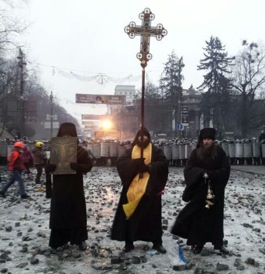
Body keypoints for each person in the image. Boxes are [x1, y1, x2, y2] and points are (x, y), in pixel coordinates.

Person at [171, 128, 230, 254]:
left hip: (216, 191)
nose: (206, 142)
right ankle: (198, 243)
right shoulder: (196, 153)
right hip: (200, 191)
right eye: (204, 139)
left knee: (216, 218)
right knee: (199, 219)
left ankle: (218, 243)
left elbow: (225, 170)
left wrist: (212, 175)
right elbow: (189, 169)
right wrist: (201, 174)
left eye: (209, 139)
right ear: (201, 140)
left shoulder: (220, 153)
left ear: (213, 141)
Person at [111, 127, 169, 254]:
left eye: (145, 136)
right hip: (132, 189)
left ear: (149, 138)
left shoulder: (155, 150)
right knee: (130, 216)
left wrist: (149, 167)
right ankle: (129, 242)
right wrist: (136, 164)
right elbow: (121, 162)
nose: (142, 138)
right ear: (136, 138)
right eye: (139, 136)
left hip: (150, 189)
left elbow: (163, 164)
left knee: (153, 217)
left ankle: (157, 242)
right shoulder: (131, 150)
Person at [46, 122, 93, 251]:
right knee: (59, 214)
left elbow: (89, 166)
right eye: (63, 134)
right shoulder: (55, 149)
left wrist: (77, 167)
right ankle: (58, 240)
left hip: (74, 187)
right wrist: (49, 167)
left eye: (68, 134)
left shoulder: (80, 150)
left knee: (76, 213)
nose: (66, 136)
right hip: (60, 187)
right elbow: (49, 166)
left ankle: (79, 239)